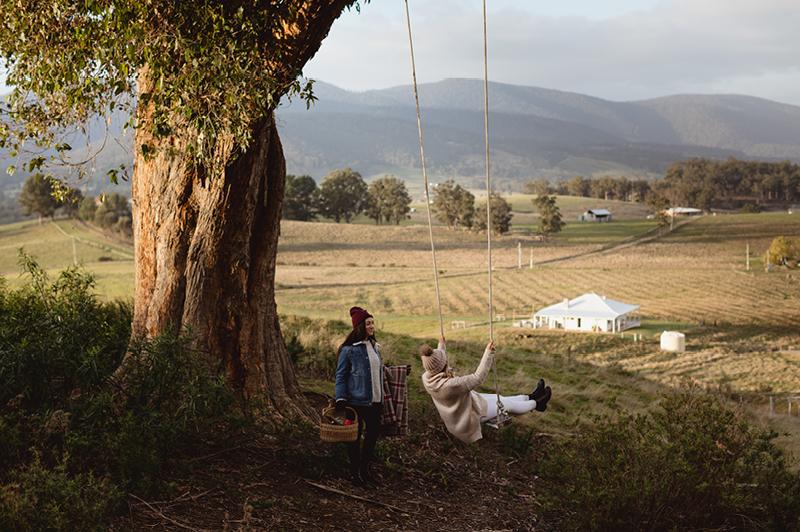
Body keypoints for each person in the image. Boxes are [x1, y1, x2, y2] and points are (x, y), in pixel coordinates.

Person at [420, 338, 551, 444]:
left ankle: (530, 397)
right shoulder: (450, 386)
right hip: (465, 419)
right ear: (443, 365)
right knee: (506, 405)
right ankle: (537, 404)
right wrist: (488, 353)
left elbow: (437, 361)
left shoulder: (427, 377)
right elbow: (477, 378)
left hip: (466, 406)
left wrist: (441, 344)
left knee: (498, 398)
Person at [334, 306, 384, 486]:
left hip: (376, 402)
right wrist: (340, 398)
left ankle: (365, 470)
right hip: (356, 402)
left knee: (371, 438)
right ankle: (355, 474)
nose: (372, 326)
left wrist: (399, 371)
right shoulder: (349, 350)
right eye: (368, 323)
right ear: (360, 326)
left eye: (372, 323)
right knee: (354, 439)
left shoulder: (375, 347)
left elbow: (376, 371)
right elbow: (340, 376)